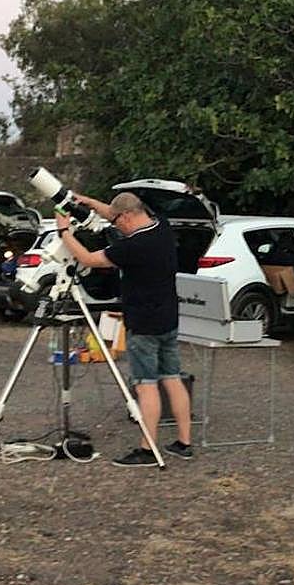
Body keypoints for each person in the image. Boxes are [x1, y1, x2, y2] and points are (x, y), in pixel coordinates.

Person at [54, 191, 193, 466]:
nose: (115, 226)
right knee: (172, 379)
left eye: (118, 221)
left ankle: (147, 449)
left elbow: (89, 259)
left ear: (128, 216)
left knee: (146, 386)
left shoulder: (132, 246)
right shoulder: (161, 226)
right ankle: (184, 442)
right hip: (168, 318)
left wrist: (64, 233)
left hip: (143, 324)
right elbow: (116, 211)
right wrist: (91, 202)